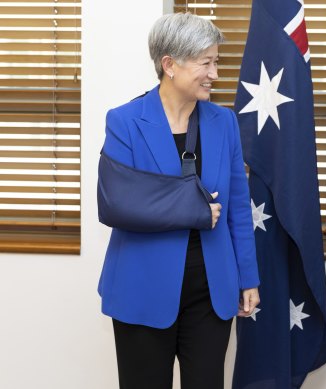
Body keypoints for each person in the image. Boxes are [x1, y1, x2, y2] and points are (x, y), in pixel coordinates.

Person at [96, 13, 260, 389]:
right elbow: (118, 203)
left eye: (216, 62)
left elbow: (237, 207)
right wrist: (194, 209)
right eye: (206, 62)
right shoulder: (124, 122)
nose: (215, 73)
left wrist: (248, 278)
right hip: (142, 286)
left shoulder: (223, 122)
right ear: (169, 64)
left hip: (211, 289)